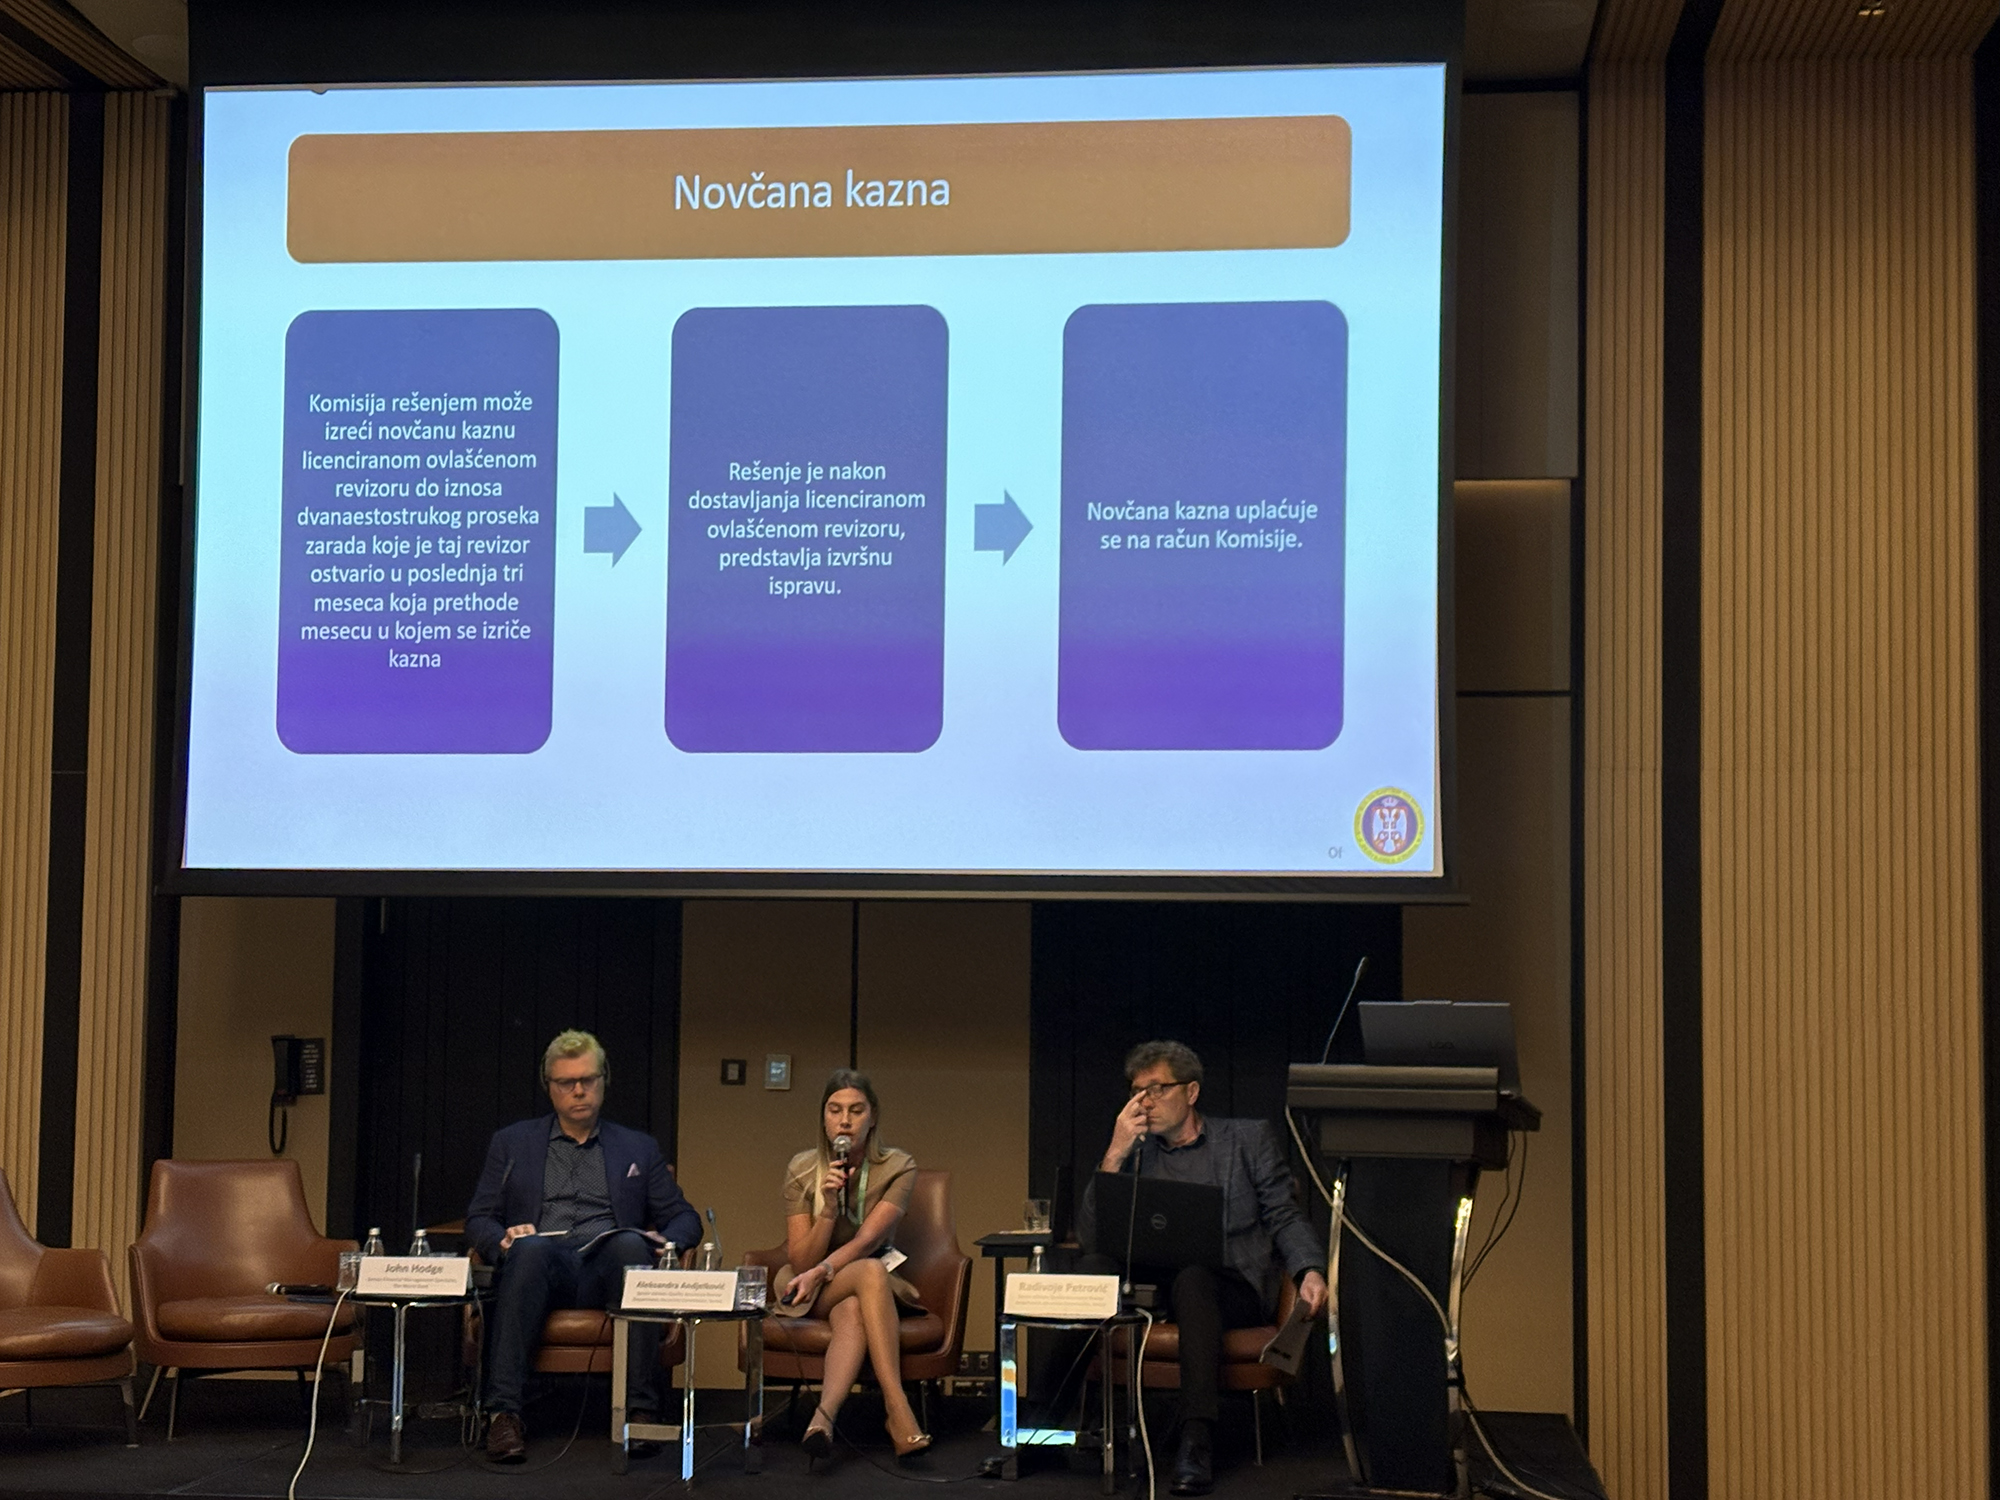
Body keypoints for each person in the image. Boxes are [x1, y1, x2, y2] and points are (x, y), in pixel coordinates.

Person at [1076, 1040, 1327, 1497]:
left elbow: (1284, 1214)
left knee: (1194, 1277)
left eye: (1157, 1089)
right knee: (1091, 1267)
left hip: (1229, 1285)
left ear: (1191, 1092)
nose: (1145, 1102)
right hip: (1154, 1285)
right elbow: (1093, 1237)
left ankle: (1196, 1440)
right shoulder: (1136, 1151)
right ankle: (1036, 1426)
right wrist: (1114, 1153)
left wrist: (1309, 1269)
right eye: (1137, 1092)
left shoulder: (1247, 1140)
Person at [465, 1029, 700, 1463]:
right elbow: (478, 1219)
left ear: (604, 1081)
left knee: (629, 1246)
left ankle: (640, 1411)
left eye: (588, 1080)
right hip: (540, 1269)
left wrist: (668, 1241)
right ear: (549, 1087)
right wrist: (502, 1239)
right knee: (530, 1249)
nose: (578, 1090)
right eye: (566, 1082)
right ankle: (503, 1415)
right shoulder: (512, 1143)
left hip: (607, 1268)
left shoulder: (638, 1147)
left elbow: (685, 1218)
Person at [771, 1068, 932, 1463]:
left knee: (856, 1301)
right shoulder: (801, 1168)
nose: (844, 1121)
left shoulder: (898, 1166)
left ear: (872, 1117)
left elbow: (866, 1242)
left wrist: (823, 1271)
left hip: (857, 1274)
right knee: (866, 1279)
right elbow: (801, 1260)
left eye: (856, 1111)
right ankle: (897, 1409)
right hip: (806, 1283)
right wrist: (827, 1209)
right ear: (824, 1118)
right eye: (835, 1110)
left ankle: (822, 1420)